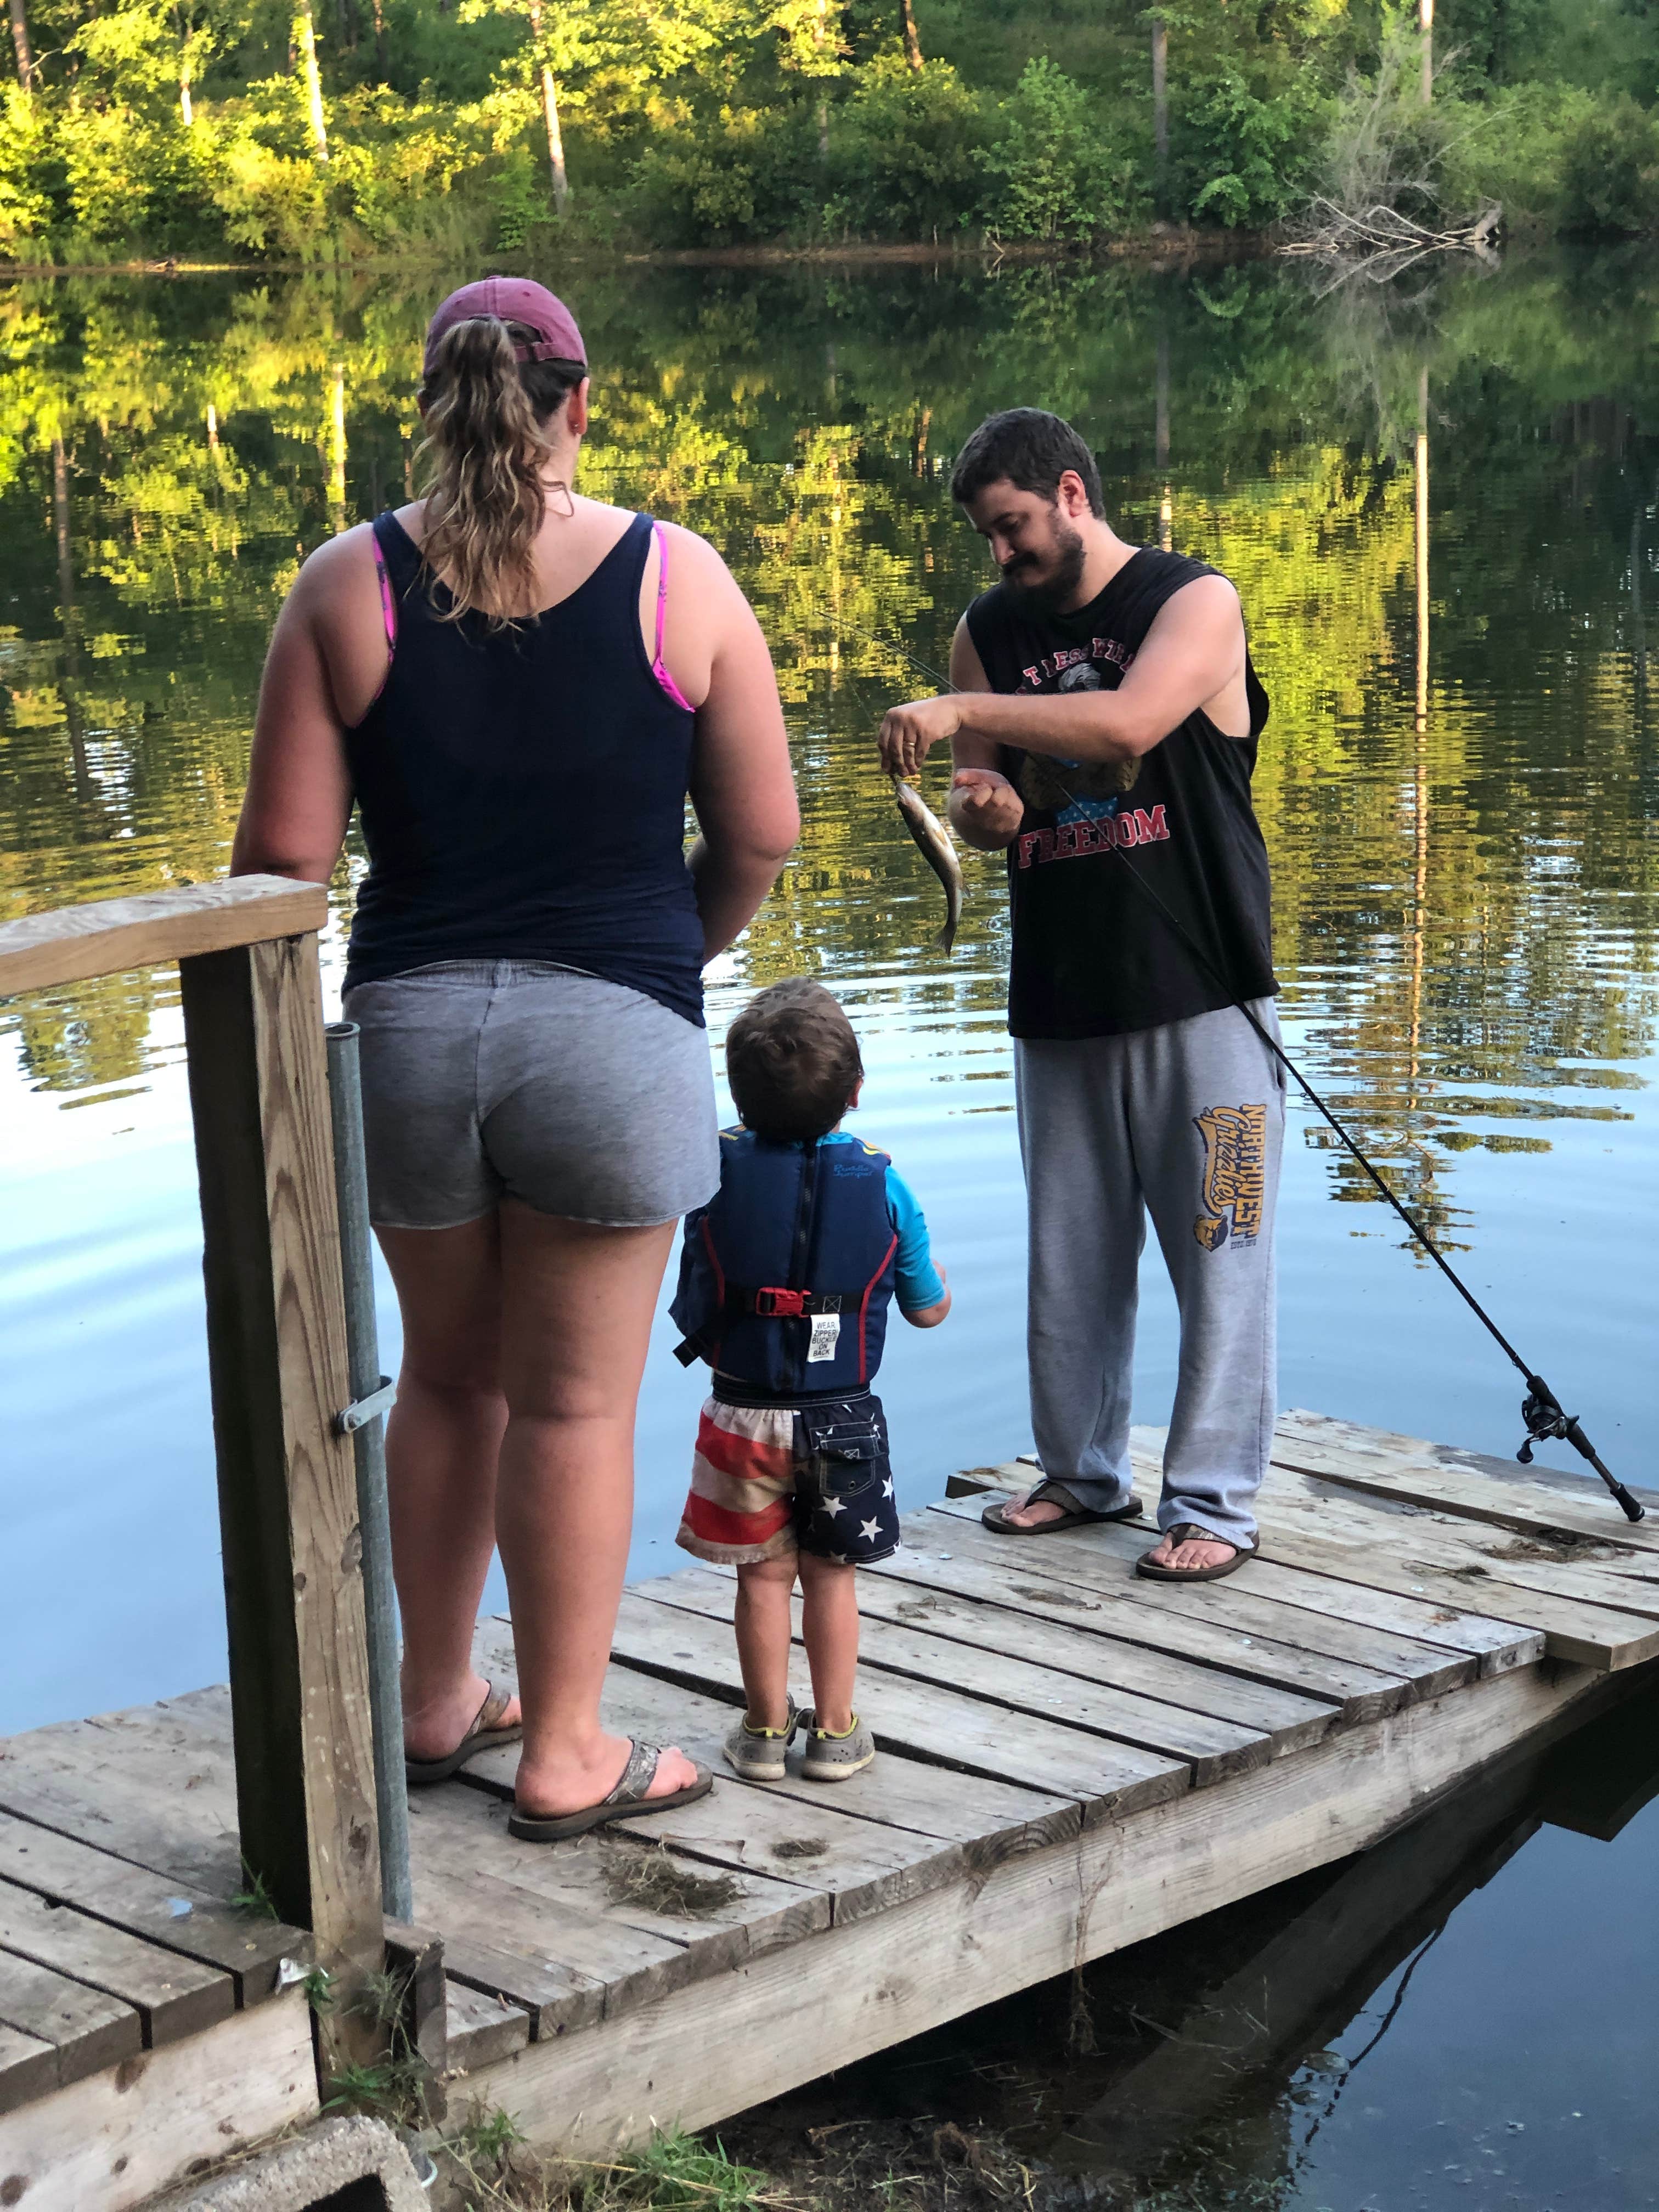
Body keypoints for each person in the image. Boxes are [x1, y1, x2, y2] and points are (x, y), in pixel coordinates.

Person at [230, 276, 799, 1839]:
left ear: (434, 398)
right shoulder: (678, 579)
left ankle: (432, 1705)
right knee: (571, 1407)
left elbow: (279, 864)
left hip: (410, 1036)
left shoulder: (347, 585)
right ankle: (563, 1750)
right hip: (609, 1031)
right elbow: (761, 832)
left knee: (449, 1379)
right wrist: (658, 962)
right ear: (580, 403)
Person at [877, 407, 1281, 1584]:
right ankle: (1083, 1472)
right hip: (1061, 991)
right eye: (986, 541)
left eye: (1011, 529)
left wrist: (963, 718)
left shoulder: (1191, 602)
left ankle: (1213, 1503)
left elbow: (1128, 725)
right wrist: (982, 808)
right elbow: (986, 805)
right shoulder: (986, 633)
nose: (1000, 558)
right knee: (1071, 1253)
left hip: (1206, 989)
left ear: (1068, 493)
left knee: (1224, 1245)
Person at [668, 979, 951, 1780]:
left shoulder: (708, 1172)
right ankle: (835, 1735)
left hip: (739, 1418)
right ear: (855, 1092)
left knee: (762, 1582)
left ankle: (761, 1733)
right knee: (832, 1578)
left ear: (740, 1095)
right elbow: (929, 1312)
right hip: (845, 1423)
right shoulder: (888, 1188)